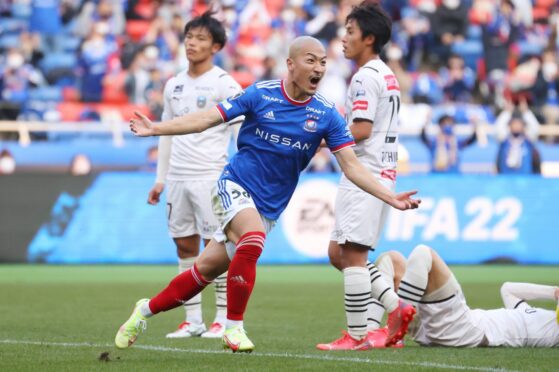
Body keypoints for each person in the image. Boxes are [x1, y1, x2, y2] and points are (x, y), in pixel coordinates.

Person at [116, 35, 420, 353]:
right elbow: (206, 119)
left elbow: (352, 166)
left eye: (323, 62)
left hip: (268, 206)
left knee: (203, 271)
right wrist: (156, 128)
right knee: (252, 238)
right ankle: (233, 328)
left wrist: (389, 196)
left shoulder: (327, 114)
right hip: (233, 186)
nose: (319, 67)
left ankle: (144, 310)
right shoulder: (261, 94)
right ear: (290, 64)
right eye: (311, 60)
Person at [317, 3, 415, 352]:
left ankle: (358, 335)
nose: (343, 38)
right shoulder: (384, 73)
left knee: (353, 257)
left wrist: (319, 137)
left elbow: (360, 129)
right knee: (337, 253)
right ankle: (394, 307)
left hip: (364, 173)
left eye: (351, 32)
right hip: (378, 173)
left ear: (369, 38)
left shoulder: (364, 77)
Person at [146, 11, 243, 339]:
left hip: (210, 176)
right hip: (178, 179)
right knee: (184, 247)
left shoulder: (223, 83)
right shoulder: (173, 84)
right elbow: (166, 133)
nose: (192, 43)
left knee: (214, 247)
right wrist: (161, 178)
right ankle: (192, 320)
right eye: (189, 36)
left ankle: (221, 319)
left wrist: (240, 173)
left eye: (201, 38)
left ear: (215, 45)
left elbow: (239, 130)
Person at [376, 245, 559, 347]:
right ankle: (373, 333)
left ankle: (396, 321)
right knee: (391, 259)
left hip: (466, 330)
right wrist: (553, 291)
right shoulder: (530, 313)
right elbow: (508, 289)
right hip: (440, 328)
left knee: (424, 253)